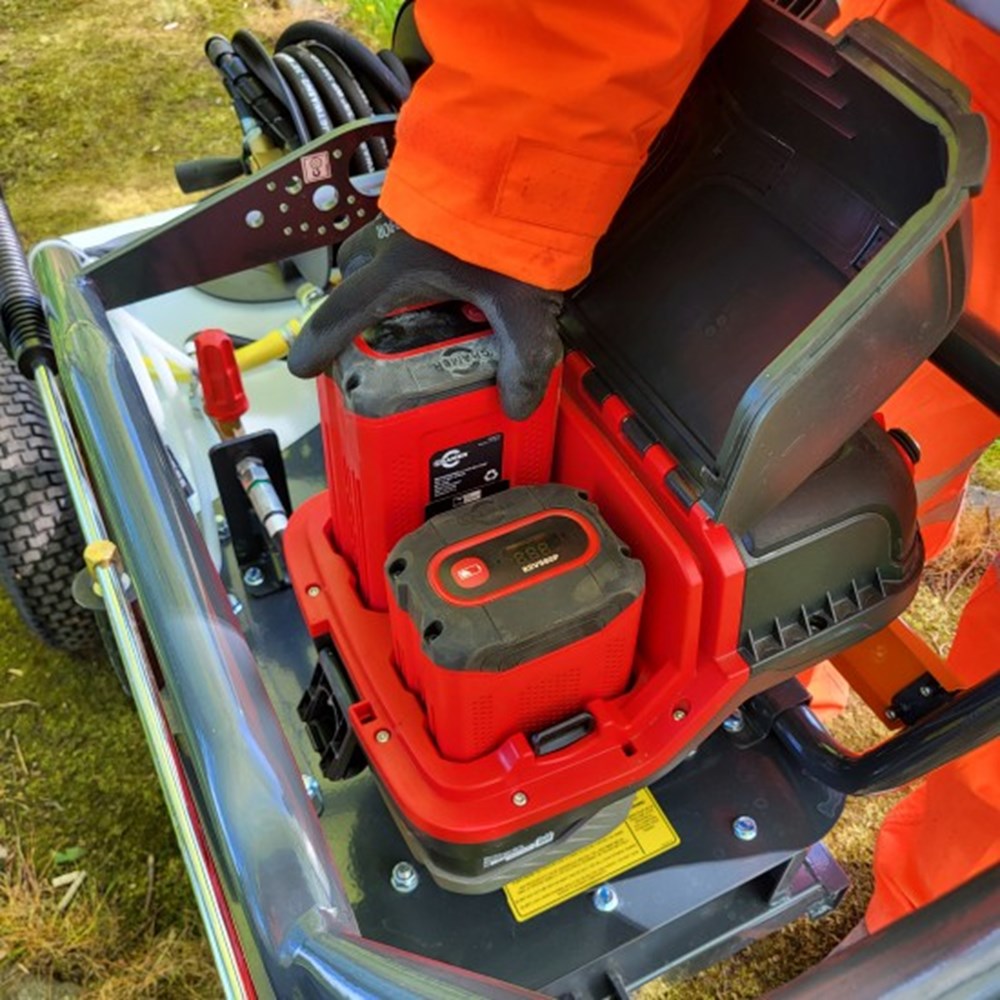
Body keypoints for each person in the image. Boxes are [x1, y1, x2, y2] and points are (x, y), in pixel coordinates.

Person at [289, 0, 999, 937]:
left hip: (905, 179)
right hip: (932, 78)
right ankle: (778, 704)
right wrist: (493, 213)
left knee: (846, 489)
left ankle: (940, 943)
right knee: (862, 432)